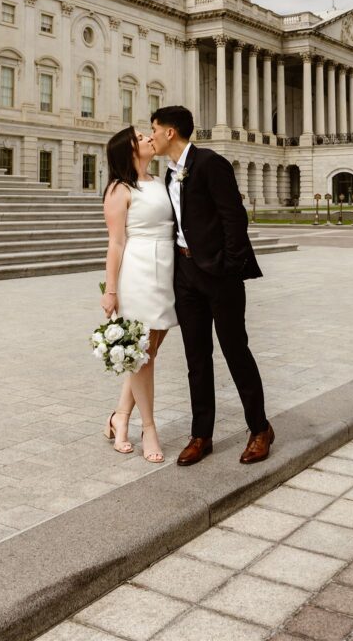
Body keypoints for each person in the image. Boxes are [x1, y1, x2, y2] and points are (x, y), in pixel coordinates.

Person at [150, 105, 274, 466]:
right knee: (196, 357)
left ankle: (259, 428)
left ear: (170, 132)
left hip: (219, 274)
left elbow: (234, 216)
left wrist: (229, 267)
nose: (152, 135)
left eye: (154, 128)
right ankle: (201, 434)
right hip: (186, 273)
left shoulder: (209, 162)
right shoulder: (169, 175)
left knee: (236, 350)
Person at [100, 126, 177, 462]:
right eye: (141, 136)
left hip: (166, 270)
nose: (149, 138)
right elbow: (115, 243)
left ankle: (119, 417)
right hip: (138, 270)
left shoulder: (161, 182)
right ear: (129, 150)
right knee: (142, 354)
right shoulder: (119, 189)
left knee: (149, 353)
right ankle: (149, 428)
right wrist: (111, 290)